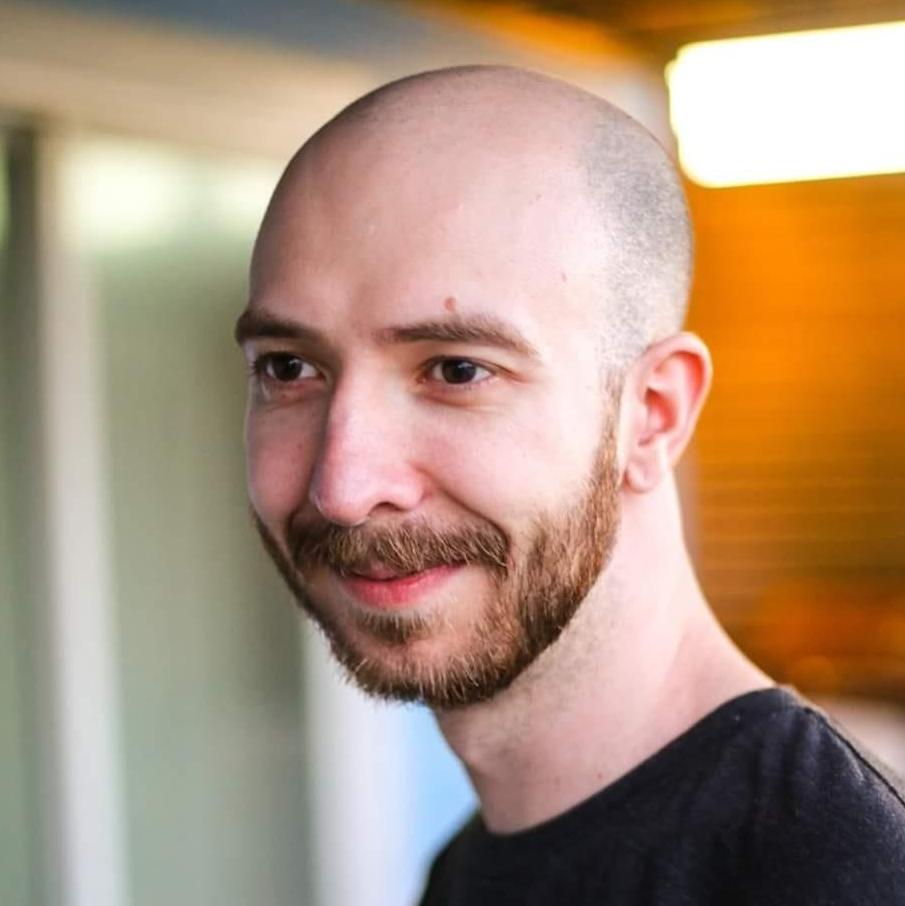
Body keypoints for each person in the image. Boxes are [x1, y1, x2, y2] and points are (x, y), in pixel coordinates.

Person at [234, 65, 905, 904]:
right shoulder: (468, 871)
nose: (342, 486)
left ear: (651, 414)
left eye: (457, 369)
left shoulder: (846, 876)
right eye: (288, 368)